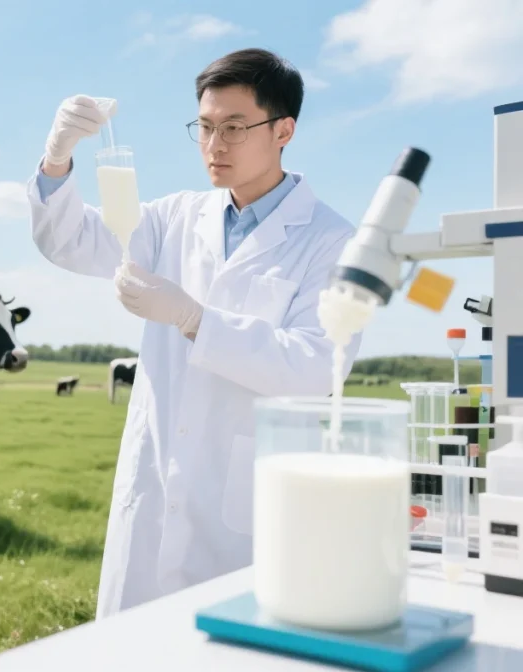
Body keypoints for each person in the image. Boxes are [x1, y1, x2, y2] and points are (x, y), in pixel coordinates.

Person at [26, 47, 362, 620]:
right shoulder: (171, 218)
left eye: (234, 127)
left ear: (284, 130)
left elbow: (317, 365)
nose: (215, 146)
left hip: (241, 514)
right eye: (205, 128)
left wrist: (195, 320)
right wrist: (57, 158)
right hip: (155, 487)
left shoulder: (332, 242)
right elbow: (72, 242)